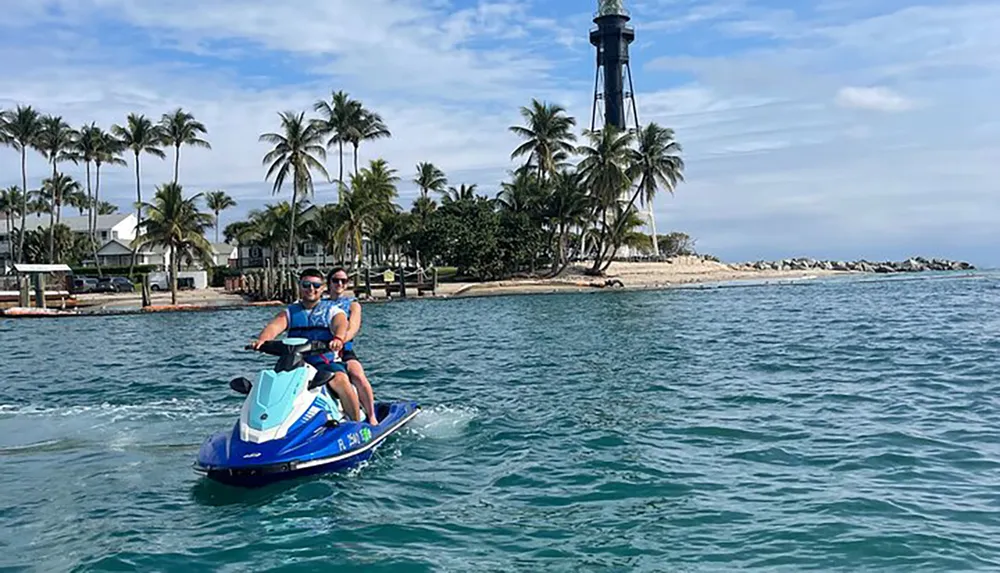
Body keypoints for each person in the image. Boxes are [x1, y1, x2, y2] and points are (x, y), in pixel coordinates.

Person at [250, 268, 362, 421]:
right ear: (300, 286)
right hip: (295, 364)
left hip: (325, 362)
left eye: (316, 285)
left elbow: (340, 323)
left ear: (322, 288)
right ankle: (264, 422)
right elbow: (275, 326)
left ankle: (355, 422)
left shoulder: (332, 310)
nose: (311, 289)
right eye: (306, 285)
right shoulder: (290, 312)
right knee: (271, 382)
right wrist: (262, 340)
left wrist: (338, 338)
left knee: (340, 380)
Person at [326, 267, 379, 425]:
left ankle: (371, 415)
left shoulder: (352, 305)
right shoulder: (320, 304)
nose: (339, 284)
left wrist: (339, 340)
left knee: (356, 374)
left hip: (344, 350)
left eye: (344, 281)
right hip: (320, 351)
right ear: (329, 283)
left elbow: (353, 327)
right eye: (336, 280)